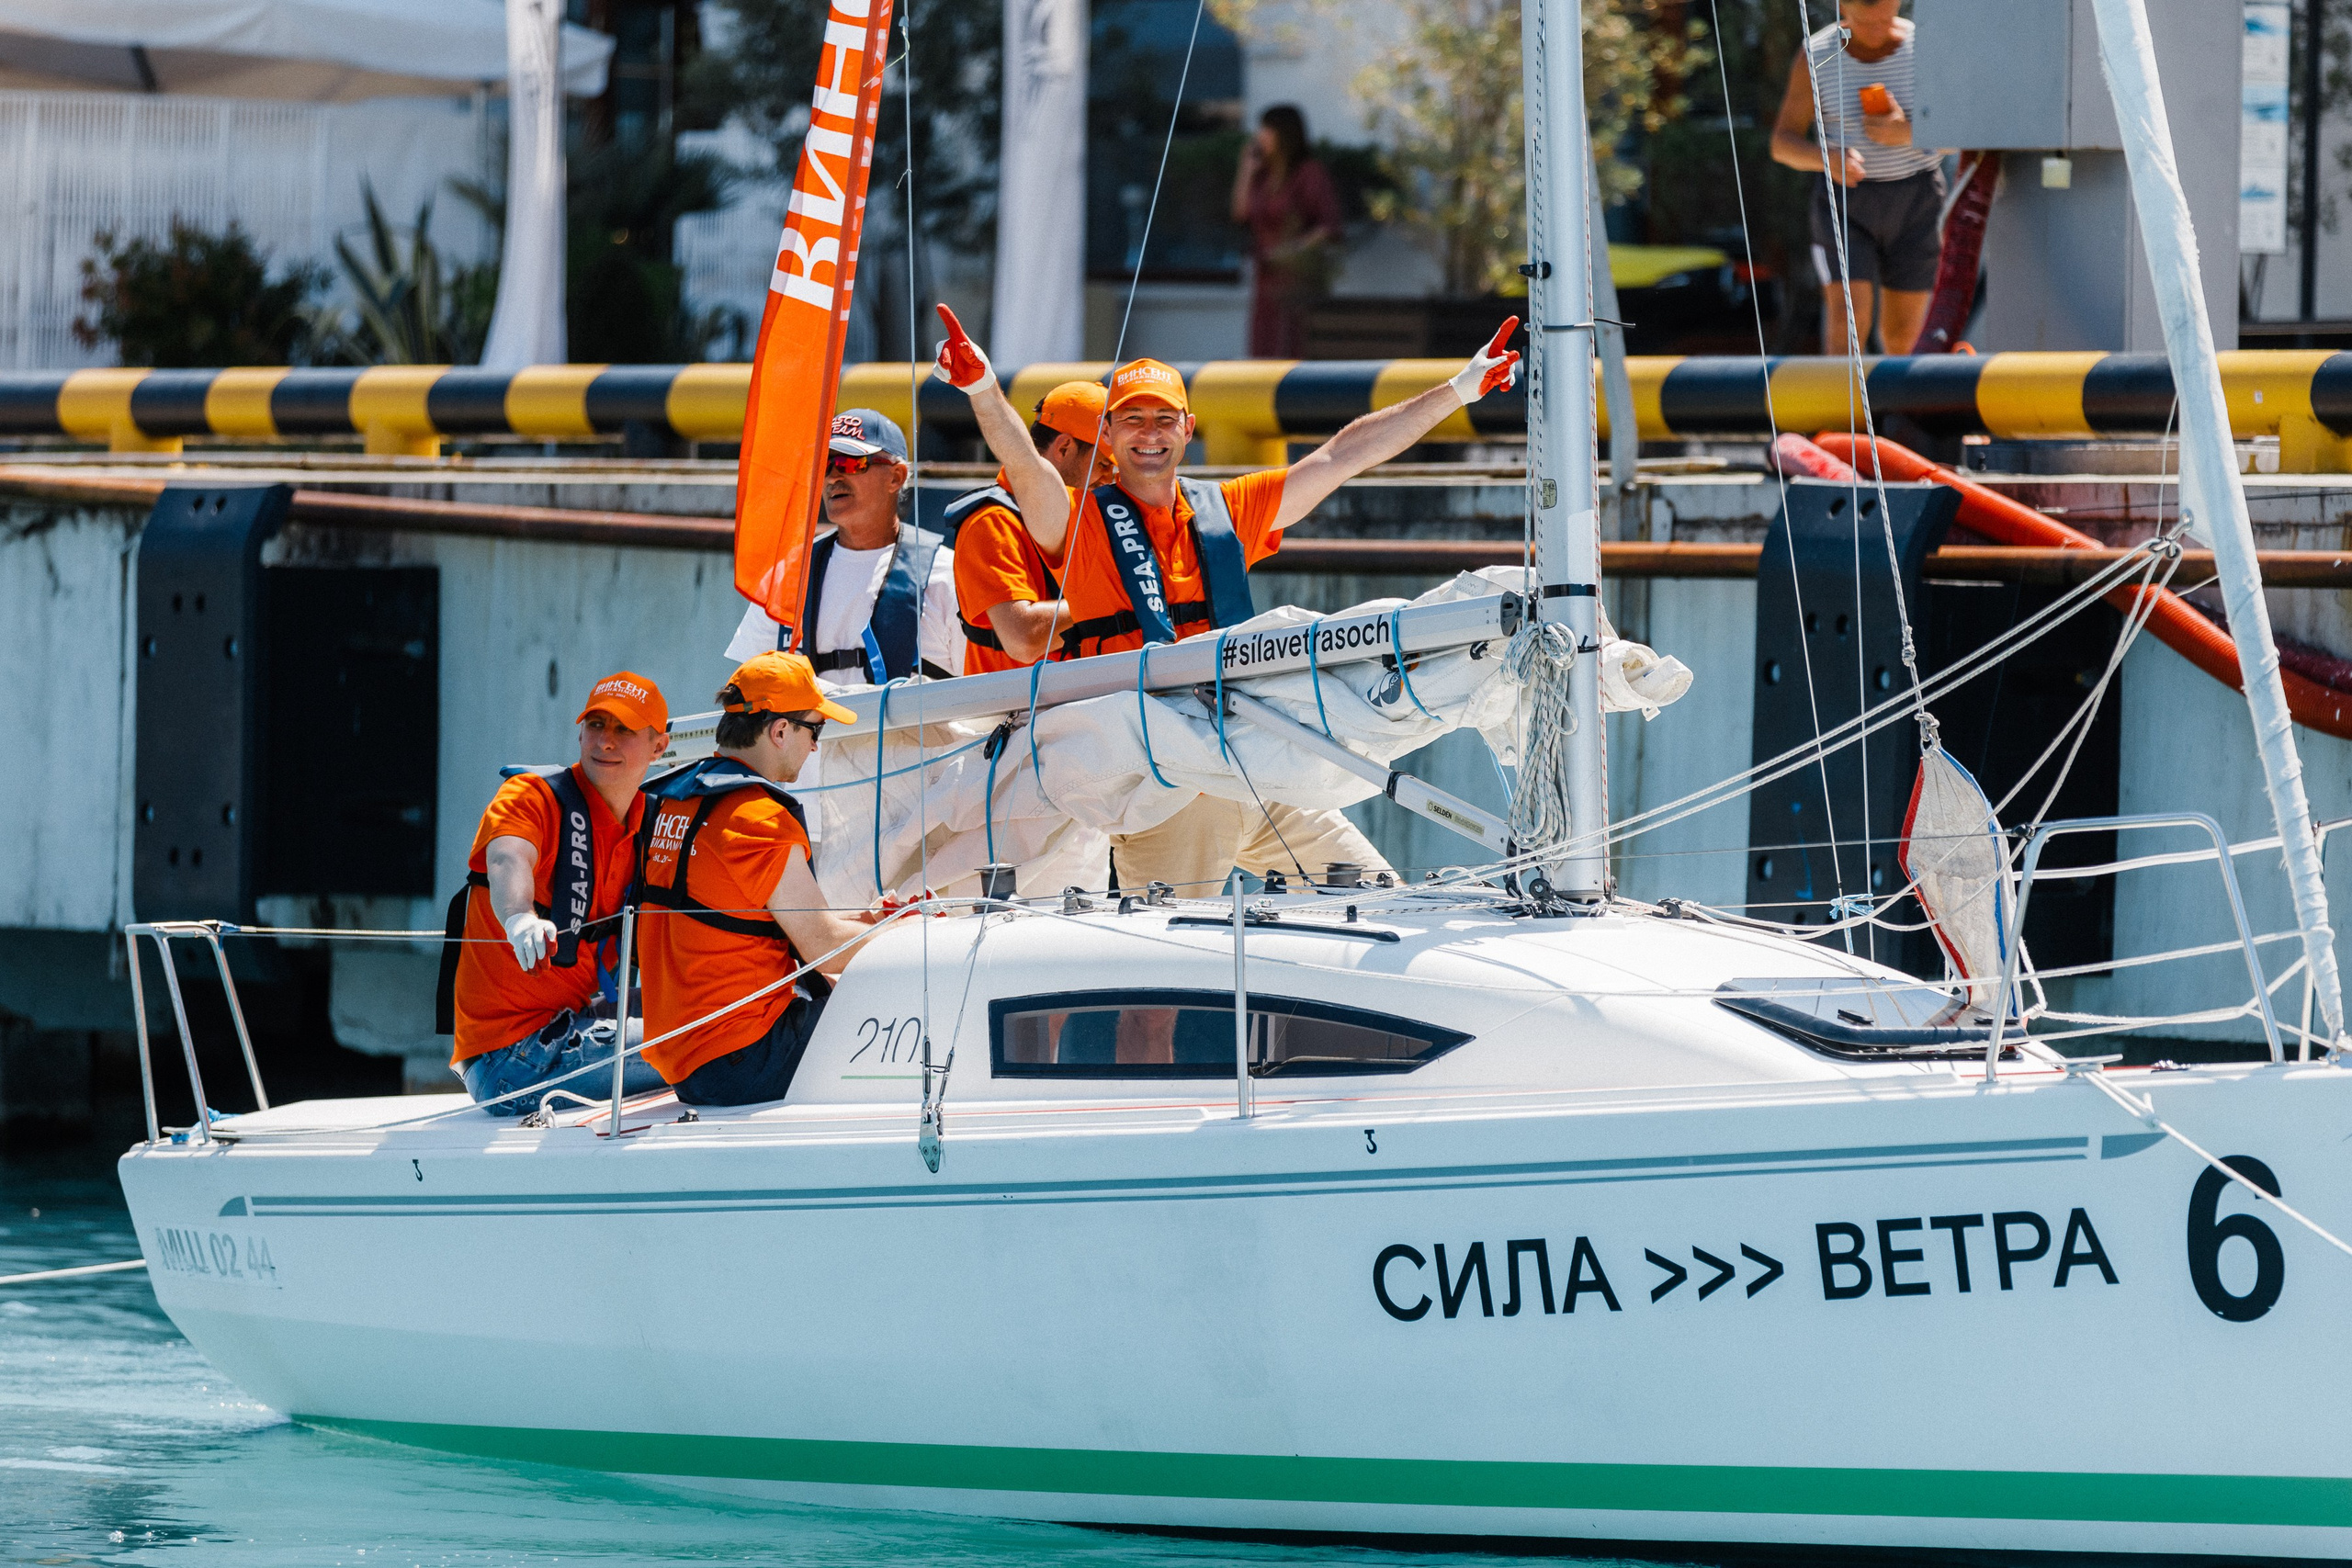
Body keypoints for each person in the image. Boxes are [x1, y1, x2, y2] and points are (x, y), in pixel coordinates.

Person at [931, 303, 1522, 896]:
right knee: (1164, 968)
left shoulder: (1224, 511)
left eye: (1165, 418)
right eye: (1131, 419)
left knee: (1378, 901)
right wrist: (982, 386)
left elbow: (1343, 455)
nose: (1150, 433)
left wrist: (1460, 389)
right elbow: (1027, 469)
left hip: (1258, 760)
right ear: (1107, 436)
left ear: (1188, 430)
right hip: (1163, 780)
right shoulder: (1079, 524)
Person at [634, 652, 880, 1108]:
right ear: (780, 730)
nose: (815, 747)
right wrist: (908, 928)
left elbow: (742, 916)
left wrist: (869, 920)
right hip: (745, 1057)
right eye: (814, 730)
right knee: (902, 1008)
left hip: (689, 1065)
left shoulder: (676, 803)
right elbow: (822, 946)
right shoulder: (758, 818)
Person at [438, 671, 673, 1117]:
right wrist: (519, 917)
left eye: (624, 729)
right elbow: (508, 857)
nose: (605, 741)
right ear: (580, 731)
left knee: (716, 1018)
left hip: (575, 1024)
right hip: (513, 1059)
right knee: (699, 1044)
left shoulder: (649, 822)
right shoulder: (532, 796)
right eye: (597, 724)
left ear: (659, 746)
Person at [724, 409, 964, 685]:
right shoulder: (789, 576)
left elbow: (985, 696)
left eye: (850, 463)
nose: (832, 478)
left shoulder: (947, 574)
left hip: (917, 730)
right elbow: (751, 687)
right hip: (819, 729)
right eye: (823, 466)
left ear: (896, 477)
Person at [1769, 0, 1948, 355]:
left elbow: (1965, 137)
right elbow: (1781, 144)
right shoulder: (1818, 53)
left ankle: (1899, 412)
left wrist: (1906, 133)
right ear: (1841, 9)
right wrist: (1828, 159)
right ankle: (1844, 411)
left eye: (1885, 18)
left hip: (1916, 200)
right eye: (1864, 24)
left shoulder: (1928, 49)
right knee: (1846, 322)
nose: (1876, 31)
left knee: (1903, 334)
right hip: (1845, 202)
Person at [946, 379, 1112, 673]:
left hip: (1079, 705)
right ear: (1064, 448)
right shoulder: (992, 522)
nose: (1109, 479)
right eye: (1103, 465)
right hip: (1016, 713)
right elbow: (1023, 639)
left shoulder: (1097, 516)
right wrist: (1117, 596)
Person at [1230, 104, 1344, 358]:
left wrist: (1292, 250)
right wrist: (1246, 170)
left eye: (1267, 129)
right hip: (1266, 280)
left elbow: (1329, 226)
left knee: (1293, 347)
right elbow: (1241, 213)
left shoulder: (1309, 173)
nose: (1260, 135)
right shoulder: (1263, 175)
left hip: (1297, 280)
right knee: (1264, 348)